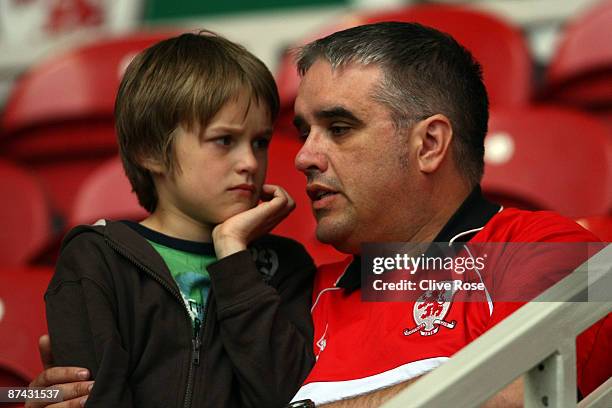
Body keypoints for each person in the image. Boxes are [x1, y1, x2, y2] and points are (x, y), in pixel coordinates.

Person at [27, 22, 610, 408]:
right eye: (304, 132)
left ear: (429, 144)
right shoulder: (292, 288)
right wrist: (39, 401)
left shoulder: (540, 250)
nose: (301, 157)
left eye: (339, 128)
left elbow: (524, 393)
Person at [40, 31, 315, 408]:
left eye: (260, 142)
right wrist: (21, 394)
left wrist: (234, 255)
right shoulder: (97, 258)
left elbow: (292, 396)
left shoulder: (284, 265)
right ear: (151, 152)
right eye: (224, 140)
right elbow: (86, 398)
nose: (250, 163)